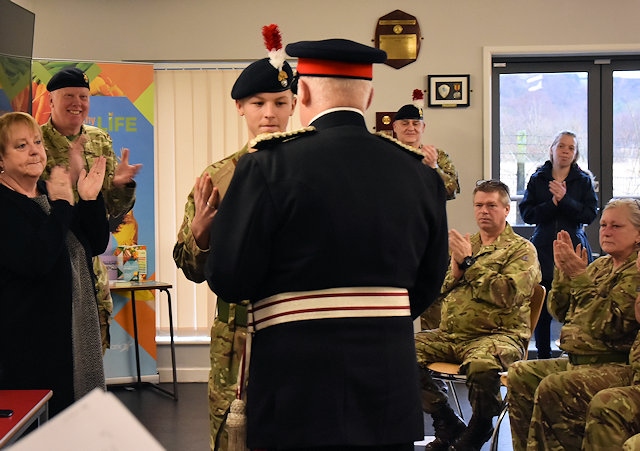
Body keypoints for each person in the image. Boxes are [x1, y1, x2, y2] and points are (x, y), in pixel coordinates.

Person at [205, 38, 449, 451]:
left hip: (295, 384)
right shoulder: (419, 174)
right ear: (369, 97)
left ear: (301, 92)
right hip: (388, 383)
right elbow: (430, 277)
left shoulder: (266, 164)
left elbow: (229, 277)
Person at [173, 24, 297, 451]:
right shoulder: (218, 176)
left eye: (280, 102)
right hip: (237, 340)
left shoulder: (313, 170)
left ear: (295, 104)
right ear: (240, 108)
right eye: (258, 103)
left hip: (300, 332)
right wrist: (201, 236)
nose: (269, 114)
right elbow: (190, 269)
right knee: (233, 437)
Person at [415, 179, 542, 451]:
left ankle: (480, 427)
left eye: (492, 205)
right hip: (452, 336)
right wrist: (458, 268)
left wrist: (468, 265)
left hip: (499, 337)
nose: (484, 211)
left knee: (481, 366)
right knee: (400, 352)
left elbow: (509, 293)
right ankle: (447, 421)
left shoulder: (521, 249)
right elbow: (438, 288)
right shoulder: (465, 244)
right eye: (479, 205)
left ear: (506, 210)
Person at [508, 198, 640, 451]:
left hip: (615, 363)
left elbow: (608, 325)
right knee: (520, 374)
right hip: (578, 360)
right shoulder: (601, 265)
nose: (606, 231)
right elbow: (560, 311)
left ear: (638, 235)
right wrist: (564, 274)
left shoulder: (636, 271)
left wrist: (580, 277)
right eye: (603, 225)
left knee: (554, 387)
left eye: (616, 226)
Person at [0, 112, 109, 416]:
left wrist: (88, 199)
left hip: (77, 331)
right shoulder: (7, 205)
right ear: (0, 159)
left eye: (37, 142)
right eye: (21, 146)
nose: (35, 150)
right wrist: (63, 205)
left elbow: (94, 245)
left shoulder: (51, 193)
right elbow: (36, 261)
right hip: (32, 349)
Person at [40, 66, 142, 354]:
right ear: (50, 101)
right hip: (51, 264)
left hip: (90, 264)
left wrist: (121, 185)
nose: (77, 103)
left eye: (83, 96)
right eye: (68, 96)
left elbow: (110, 209)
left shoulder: (99, 139)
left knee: (92, 365)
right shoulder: (34, 142)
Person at [519, 130, 598, 359]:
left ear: (575, 154)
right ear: (552, 149)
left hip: (574, 245)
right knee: (542, 306)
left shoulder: (582, 180)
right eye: (561, 146)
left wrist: (565, 200)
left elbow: (589, 215)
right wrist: (553, 202)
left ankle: (572, 355)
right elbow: (528, 214)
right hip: (543, 247)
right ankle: (543, 356)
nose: (565, 151)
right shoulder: (538, 178)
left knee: (574, 305)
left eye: (570, 148)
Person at [390, 90, 460, 332]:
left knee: (431, 294)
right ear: (395, 127)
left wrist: (433, 168)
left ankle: (427, 356)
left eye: (416, 123)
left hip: (428, 233)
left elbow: (451, 189)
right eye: (405, 123)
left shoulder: (438, 156)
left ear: (423, 127)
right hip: (395, 235)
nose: (411, 128)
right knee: (396, 300)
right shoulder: (387, 155)